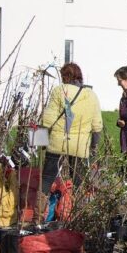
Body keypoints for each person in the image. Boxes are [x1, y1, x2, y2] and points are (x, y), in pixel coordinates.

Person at [40, 62, 104, 215]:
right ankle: (75, 214)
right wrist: (93, 146)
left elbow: (48, 120)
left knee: (47, 179)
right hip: (80, 146)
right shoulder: (91, 95)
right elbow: (97, 126)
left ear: (65, 77)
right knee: (78, 182)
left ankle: (40, 213)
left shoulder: (59, 91)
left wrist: (42, 142)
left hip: (57, 142)